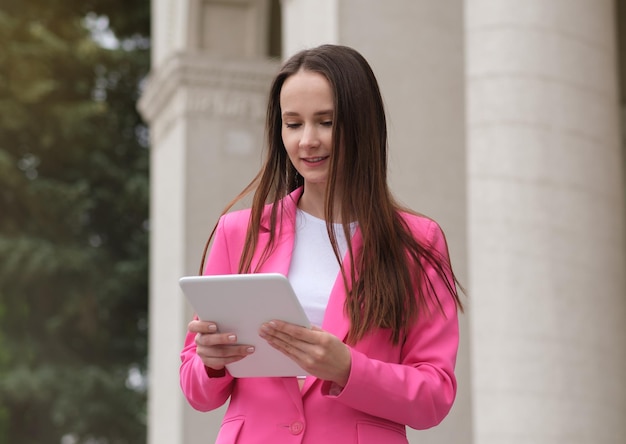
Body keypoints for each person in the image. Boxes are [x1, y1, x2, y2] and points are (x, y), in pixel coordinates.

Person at [180, 44, 463, 443]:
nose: (307, 141)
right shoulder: (237, 232)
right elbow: (197, 391)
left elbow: (434, 395)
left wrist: (348, 367)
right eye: (293, 124)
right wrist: (209, 362)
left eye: (326, 122)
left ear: (362, 125)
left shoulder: (417, 243)